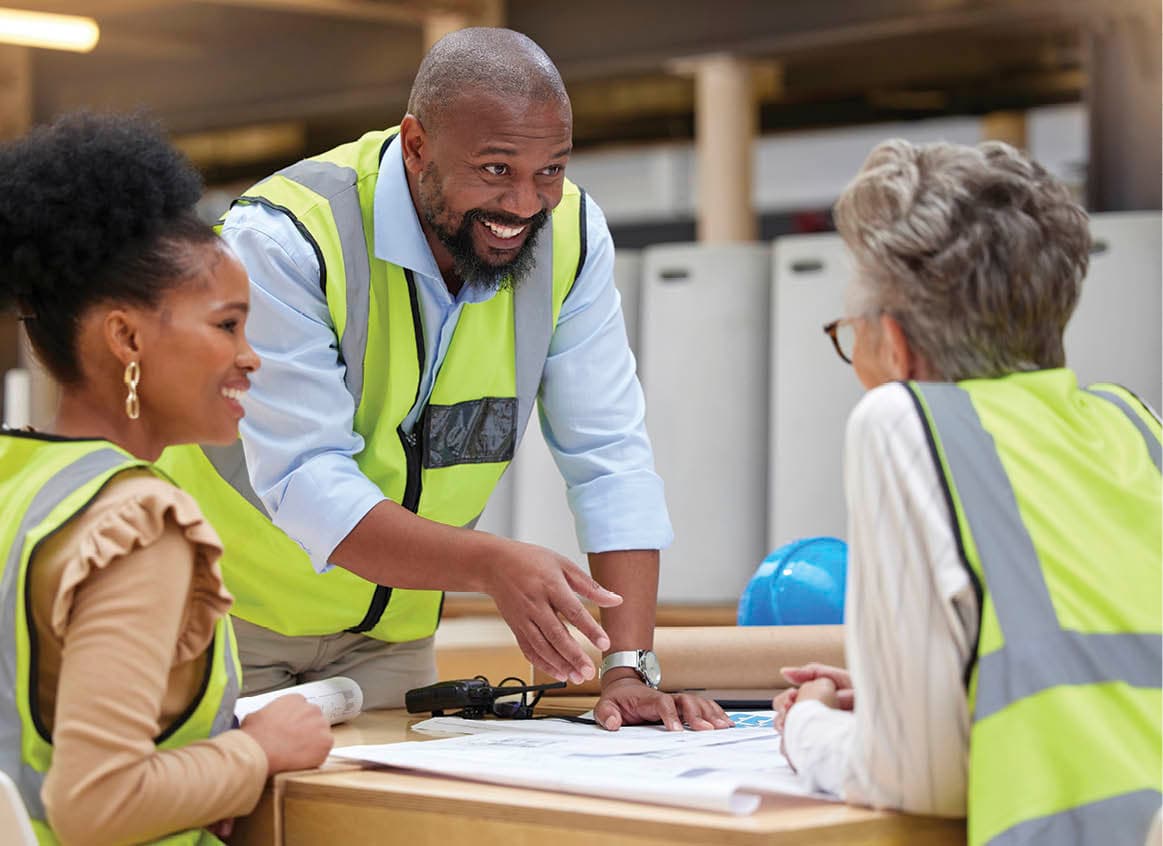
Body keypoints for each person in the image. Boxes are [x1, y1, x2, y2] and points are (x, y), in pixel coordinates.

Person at [156, 27, 729, 731]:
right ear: (416, 145)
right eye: (495, 169)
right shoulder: (286, 238)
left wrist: (628, 668)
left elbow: (610, 455)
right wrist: (489, 564)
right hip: (223, 621)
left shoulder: (572, 237)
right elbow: (305, 480)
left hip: (388, 645)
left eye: (550, 170)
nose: (525, 203)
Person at [772, 139, 1161, 845]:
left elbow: (915, 780)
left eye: (849, 335)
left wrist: (807, 726)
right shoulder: (1135, 425)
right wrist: (937, 696)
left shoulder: (902, 421)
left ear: (896, 346)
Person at [0, 113, 334, 845]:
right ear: (126, 337)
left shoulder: (14, 479)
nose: (251, 357)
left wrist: (199, 766)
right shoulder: (138, 524)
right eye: (226, 325)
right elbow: (97, 803)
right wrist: (259, 751)